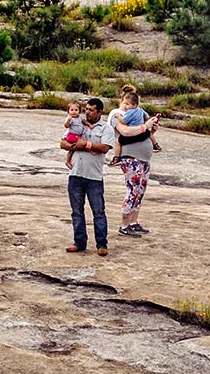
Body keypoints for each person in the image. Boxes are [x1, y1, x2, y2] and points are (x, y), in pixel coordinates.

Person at [61, 97, 114, 256]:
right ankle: (79, 242)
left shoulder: (106, 129)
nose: (88, 112)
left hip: (94, 177)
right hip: (76, 174)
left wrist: (86, 145)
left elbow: (105, 147)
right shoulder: (78, 124)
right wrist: (75, 146)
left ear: (100, 112)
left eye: (91, 110)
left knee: (98, 211)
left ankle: (101, 244)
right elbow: (63, 142)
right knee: (76, 211)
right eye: (87, 109)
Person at [108, 85, 159, 237]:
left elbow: (144, 128)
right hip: (131, 158)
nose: (127, 106)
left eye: (130, 103)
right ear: (122, 101)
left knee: (140, 191)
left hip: (143, 158)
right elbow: (125, 132)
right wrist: (145, 127)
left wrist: (151, 128)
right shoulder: (116, 114)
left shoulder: (137, 114)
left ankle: (133, 222)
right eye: (126, 103)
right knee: (133, 190)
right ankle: (124, 225)